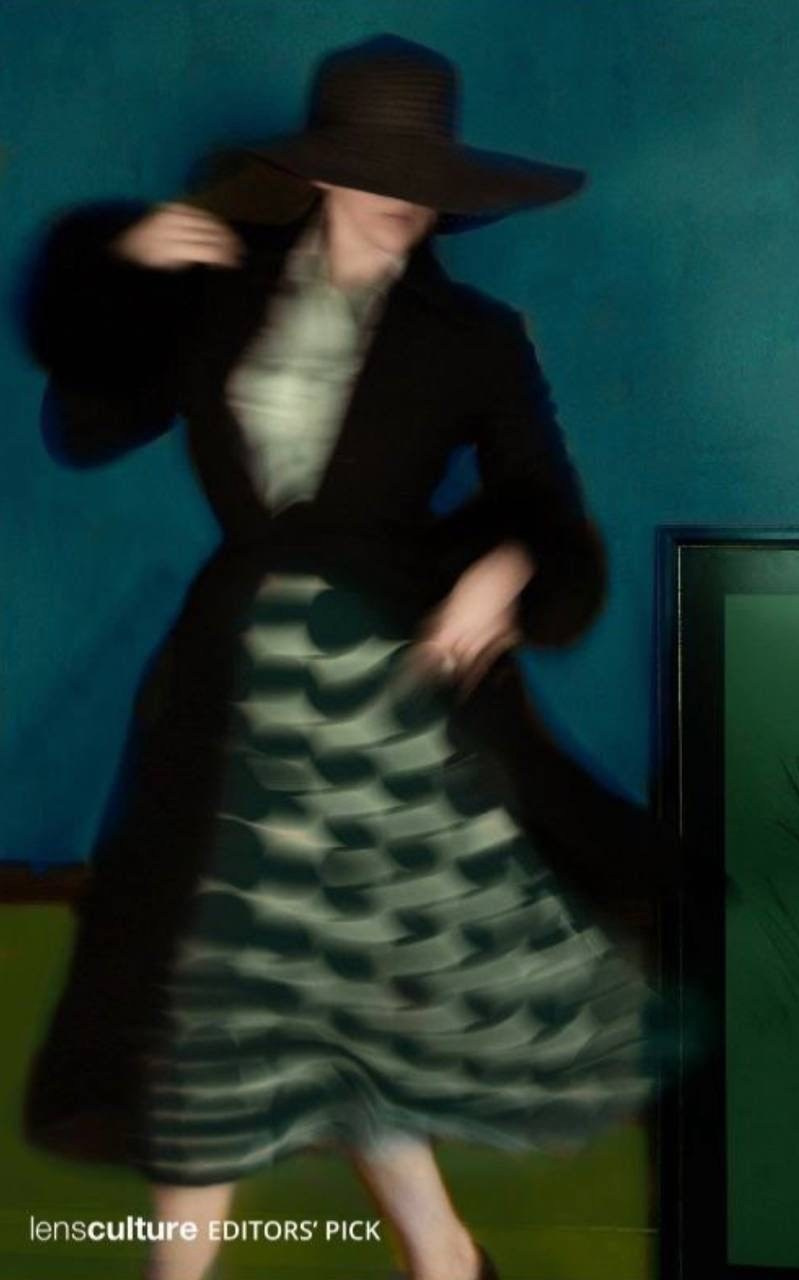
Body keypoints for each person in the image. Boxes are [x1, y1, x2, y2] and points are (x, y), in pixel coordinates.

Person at [22, 34, 684, 1280]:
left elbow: (547, 508)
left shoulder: (475, 336)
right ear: (323, 172)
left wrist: (504, 570)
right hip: (230, 684)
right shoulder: (218, 292)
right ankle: (440, 1257)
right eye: (381, 170)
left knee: (267, 983)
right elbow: (86, 425)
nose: (407, 200)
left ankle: (413, 1257)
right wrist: (127, 273)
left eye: (426, 178)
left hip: (383, 684)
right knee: (262, 985)